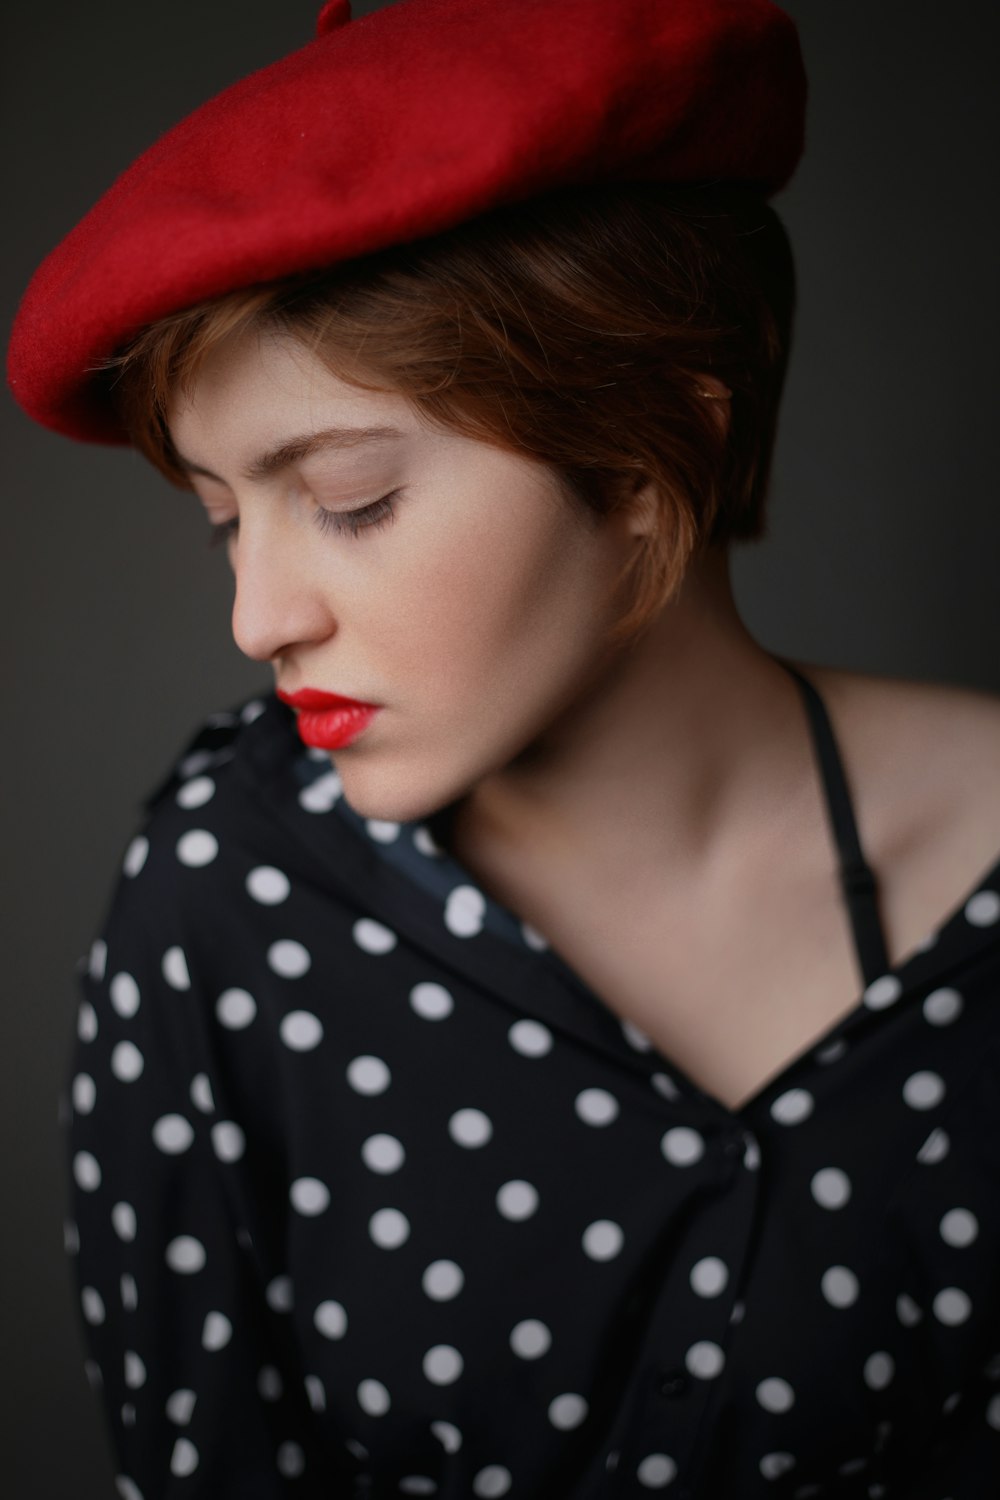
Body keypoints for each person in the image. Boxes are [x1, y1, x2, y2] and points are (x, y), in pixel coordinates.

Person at [8, 0, 1000, 1496]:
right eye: (222, 517)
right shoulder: (229, 890)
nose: (257, 614)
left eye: (346, 498)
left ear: (654, 448)